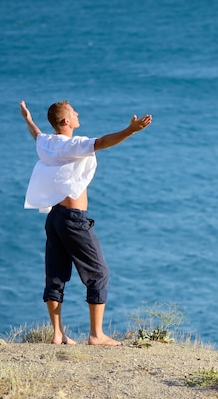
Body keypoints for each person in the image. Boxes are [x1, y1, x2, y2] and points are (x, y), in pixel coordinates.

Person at [20, 100, 152, 346]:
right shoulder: (73, 145)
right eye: (74, 112)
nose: (78, 114)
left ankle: (58, 334)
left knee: (56, 275)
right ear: (66, 121)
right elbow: (102, 142)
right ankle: (96, 335)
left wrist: (28, 119)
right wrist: (130, 130)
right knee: (99, 273)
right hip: (73, 219)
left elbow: (36, 134)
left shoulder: (48, 143)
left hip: (55, 217)